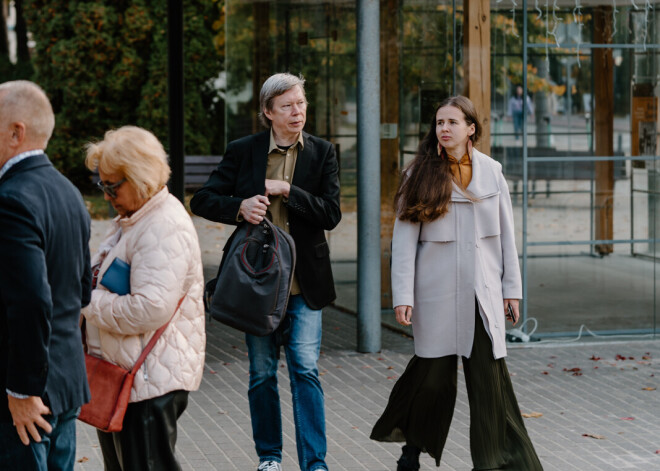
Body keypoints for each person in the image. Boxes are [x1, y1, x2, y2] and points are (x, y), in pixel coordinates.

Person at [370, 96, 543, 471]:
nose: (443, 129)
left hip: (482, 294)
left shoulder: (492, 172)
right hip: (435, 294)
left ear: (471, 129)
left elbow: (506, 238)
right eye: (438, 123)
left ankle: (498, 462)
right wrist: (403, 295)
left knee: (489, 383)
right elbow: (403, 243)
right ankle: (412, 449)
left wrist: (511, 289)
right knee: (432, 381)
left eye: (452, 122)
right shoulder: (418, 174)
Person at [191, 72, 341, 471]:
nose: (298, 112)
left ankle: (315, 463)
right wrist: (239, 207)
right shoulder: (244, 150)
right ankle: (270, 458)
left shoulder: (323, 152)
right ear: (268, 112)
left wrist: (289, 191)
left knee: (305, 372)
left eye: (302, 103)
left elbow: (331, 214)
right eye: (288, 106)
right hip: (256, 287)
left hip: (304, 286)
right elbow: (202, 199)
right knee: (261, 375)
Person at [82, 126, 206, 470]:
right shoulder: (135, 218)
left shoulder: (162, 226)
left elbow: (149, 307)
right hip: (129, 377)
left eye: (112, 185)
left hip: (150, 382)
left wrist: (86, 302)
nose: (106, 194)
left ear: (141, 177)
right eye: (101, 184)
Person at [0, 81, 92, 469]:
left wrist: (21, 390)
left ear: (16, 132)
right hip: (66, 381)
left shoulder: (11, 198)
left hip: (28, 394)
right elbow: (82, 291)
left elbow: (32, 300)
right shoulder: (70, 193)